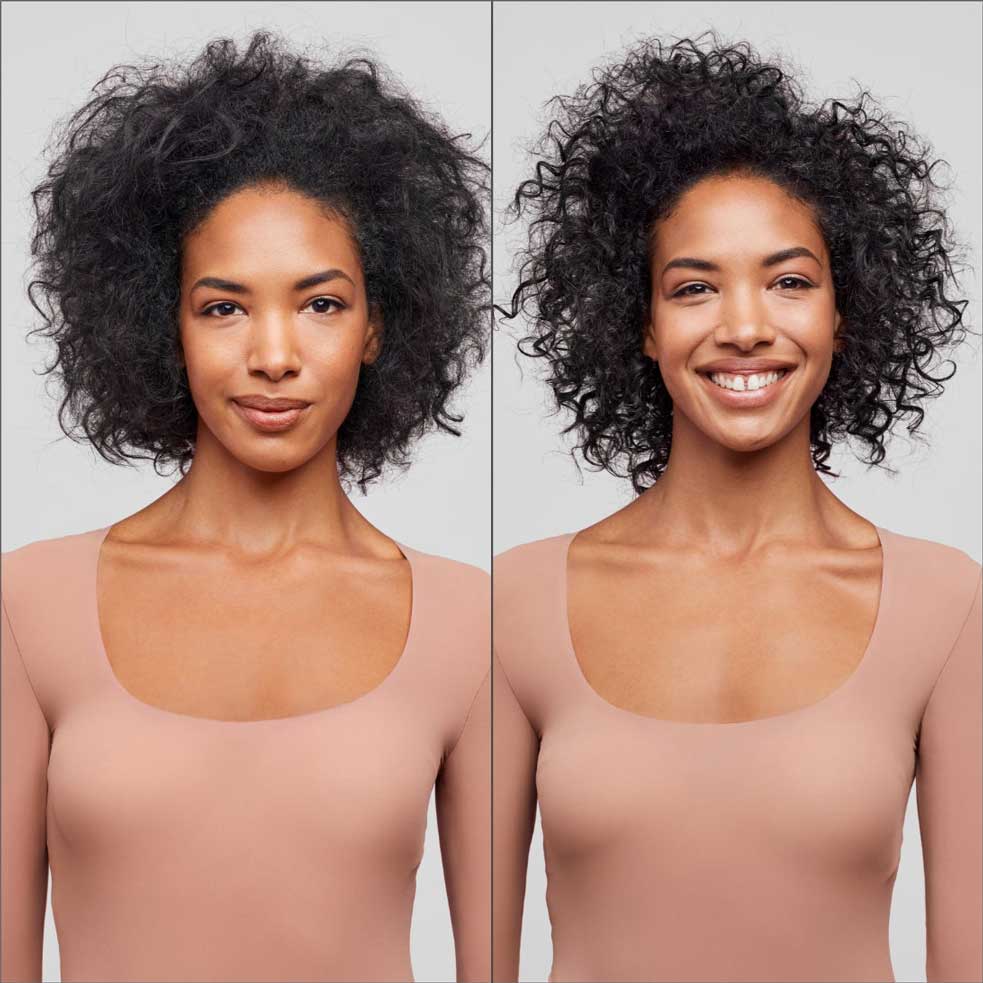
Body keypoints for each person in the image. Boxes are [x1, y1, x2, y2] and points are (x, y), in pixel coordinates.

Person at [2, 31, 490, 983]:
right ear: (162, 322)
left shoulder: (468, 625)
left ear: (379, 323)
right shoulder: (29, 605)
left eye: (320, 304)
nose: (274, 353)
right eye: (224, 307)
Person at [493, 33, 981, 983]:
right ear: (638, 322)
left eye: (789, 280)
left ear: (846, 310)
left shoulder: (944, 604)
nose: (746, 323)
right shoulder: (515, 604)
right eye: (693, 287)